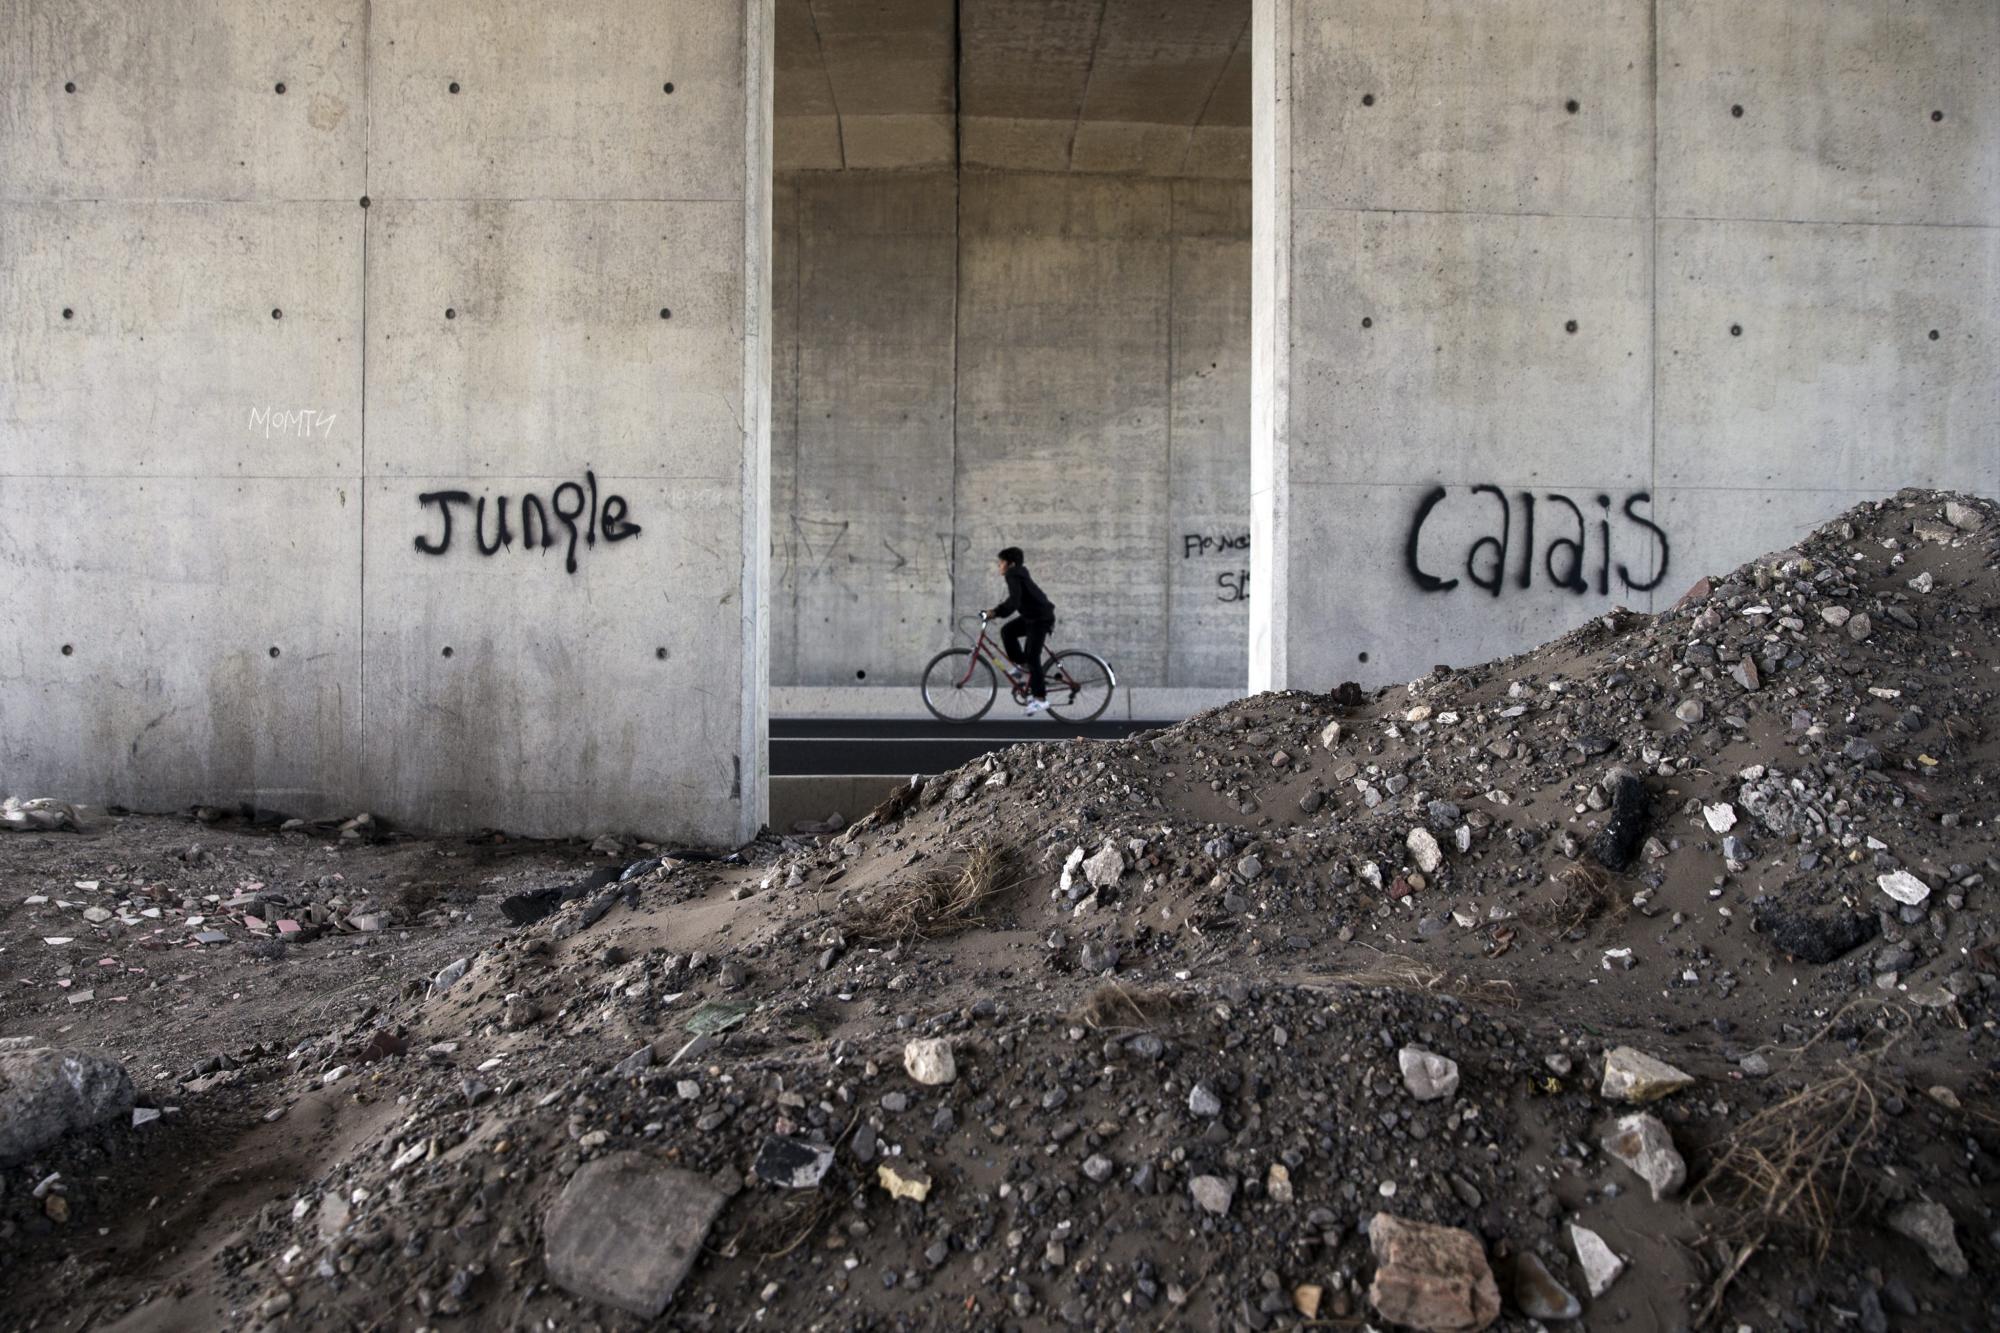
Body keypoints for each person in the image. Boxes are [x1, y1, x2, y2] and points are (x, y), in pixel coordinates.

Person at [987, 546, 1057, 715]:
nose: (999, 566)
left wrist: (996, 612)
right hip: (1032, 616)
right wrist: (997, 612)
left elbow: (1014, 601)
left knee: (1033, 657)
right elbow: (1015, 600)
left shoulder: (1013, 574)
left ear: (1010, 564)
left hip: (1040, 619)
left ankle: (1041, 699)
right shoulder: (1017, 573)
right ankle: (1023, 666)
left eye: (1001, 562)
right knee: (1008, 631)